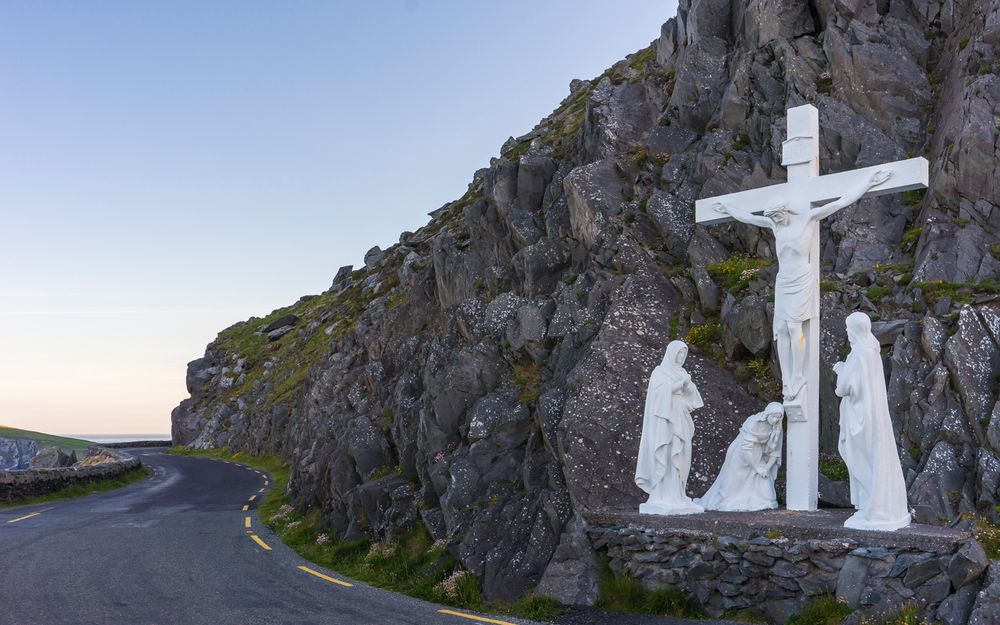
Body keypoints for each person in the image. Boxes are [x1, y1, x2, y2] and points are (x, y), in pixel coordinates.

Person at [713, 170, 892, 402]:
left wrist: (867, 183)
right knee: (783, 331)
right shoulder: (776, 227)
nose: (775, 220)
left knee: (795, 329)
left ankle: (797, 375)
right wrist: (728, 209)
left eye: (777, 215)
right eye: (773, 217)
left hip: (801, 279)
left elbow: (841, 201)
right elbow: (749, 218)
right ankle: (787, 378)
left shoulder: (807, 219)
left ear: (785, 211)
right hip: (784, 281)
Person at [834, 312, 911, 530]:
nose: (847, 333)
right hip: (872, 415)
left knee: (862, 460)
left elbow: (844, 388)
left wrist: (840, 370)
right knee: (874, 458)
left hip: (861, 417)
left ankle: (874, 508)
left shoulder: (860, 353)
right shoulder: (872, 350)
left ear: (856, 329)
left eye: (849, 328)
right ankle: (877, 506)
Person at [635, 340, 704, 515]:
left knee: (682, 454)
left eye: (684, 354)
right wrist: (679, 385)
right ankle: (663, 496)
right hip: (665, 420)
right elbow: (658, 395)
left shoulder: (682, 372)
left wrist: (688, 385)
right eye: (679, 353)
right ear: (671, 353)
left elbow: (693, 398)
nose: (681, 357)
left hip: (681, 416)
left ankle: (678, 494)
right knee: (667, 452)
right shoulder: (659, 372)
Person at [696, 402, 784, 512]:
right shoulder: (753, 423)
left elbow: (775, 453)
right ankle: (729, 500)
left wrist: (766, 468)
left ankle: (760, 502)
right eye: (774, 416)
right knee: (734, 481)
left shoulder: (776, 429)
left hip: (757, 454)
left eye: (778, 418)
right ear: (767, 414)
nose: (775, 420)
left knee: (764, 482)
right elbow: (746, 449)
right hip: (741, 453)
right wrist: (757, 468)